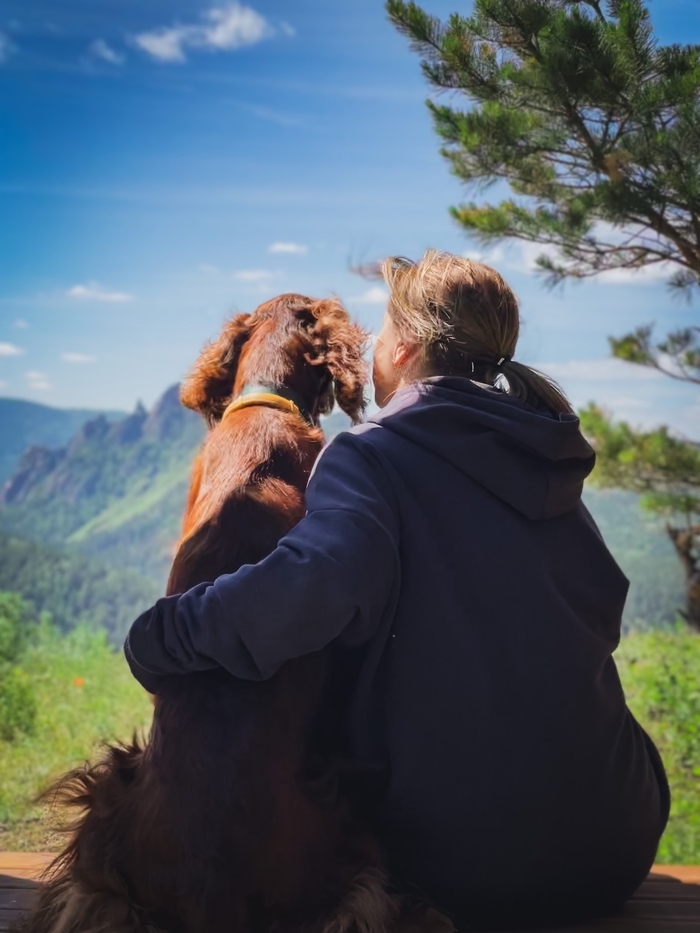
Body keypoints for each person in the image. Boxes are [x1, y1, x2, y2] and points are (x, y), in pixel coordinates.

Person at [125, 250, 669, 930]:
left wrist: (161, 636)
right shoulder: (547, 453)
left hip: (469, 870)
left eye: (381, 330)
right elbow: (602, 604)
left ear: (406, 345)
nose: (373, 345)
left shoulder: (373, 453)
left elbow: (313, 586)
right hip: (618, 840)